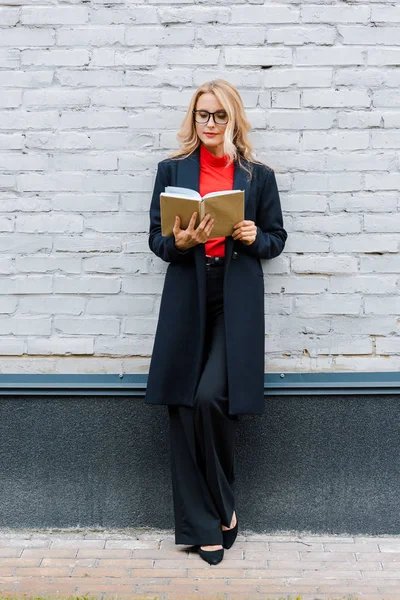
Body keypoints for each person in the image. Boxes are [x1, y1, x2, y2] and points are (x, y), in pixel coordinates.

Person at [144, 79, 287, 565]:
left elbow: (276, 240)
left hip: (235, 295)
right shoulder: (172, 169)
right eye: (203, 115)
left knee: (209, 398)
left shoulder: (257, 175)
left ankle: (225, 503)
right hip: (189, 289)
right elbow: (157, 242)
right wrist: (179, 243)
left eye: (219, 115)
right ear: (193, 118)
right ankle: (203, 524)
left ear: (234, 118)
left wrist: (251, 234)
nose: (210, 124)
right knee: (183, 405)